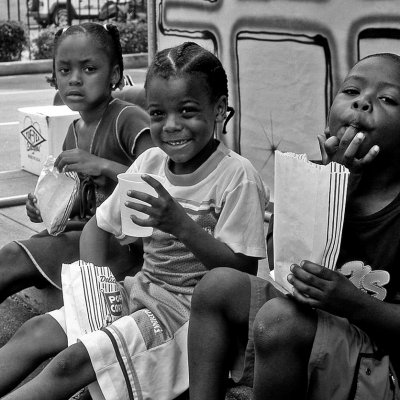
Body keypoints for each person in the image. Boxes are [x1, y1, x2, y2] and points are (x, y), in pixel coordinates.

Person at [0, 42, 268, 400]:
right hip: (138, 293)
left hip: (187, 319)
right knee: (34, 331)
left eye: (187, 111)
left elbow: (242, 273)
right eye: (157, 114)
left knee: (71, 364)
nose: (172, 126)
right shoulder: (150, 164)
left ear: (219, 109)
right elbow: (100, 225)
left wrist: (180, 225)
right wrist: (94, 293)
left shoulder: (237, 176)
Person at [188, 52, 400, 400]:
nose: (362, 103)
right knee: (216, 286)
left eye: (387, 99)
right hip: (325, 331)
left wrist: (353, 304)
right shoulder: (319, 175)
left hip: (381, 366)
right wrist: (332, 186)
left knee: (278, 321)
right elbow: (278, 264)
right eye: (351, 92)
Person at [0, 22, 152, 298]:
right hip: (82, 233)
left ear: (114, 74)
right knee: (15, 259)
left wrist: (101, 165)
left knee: (12, 256)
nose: (75, 79)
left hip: (120, 244)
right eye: (64, 70)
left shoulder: (128, 118)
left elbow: (160, 184)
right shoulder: (73, 132)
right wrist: (48, 207)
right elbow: (84, 197)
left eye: (89, 69)